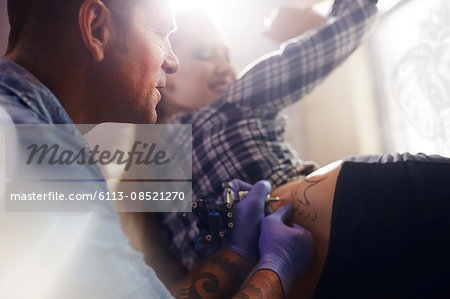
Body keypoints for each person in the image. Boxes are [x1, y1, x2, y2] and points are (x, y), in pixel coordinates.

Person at [0, 0, 314, 298]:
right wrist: (276, 270)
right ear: (96, 29)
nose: (172, 61)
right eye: (162, 34)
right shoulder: (34, 158)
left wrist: (233, 255)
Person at [145, 0, 450, 297]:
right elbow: (353, 19)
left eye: (226, 55)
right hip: (382, 213)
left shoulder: (151, 196)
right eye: (204, 54)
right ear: (165, 68)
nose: (226, 67)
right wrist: (306, 19)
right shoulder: (229, 105)